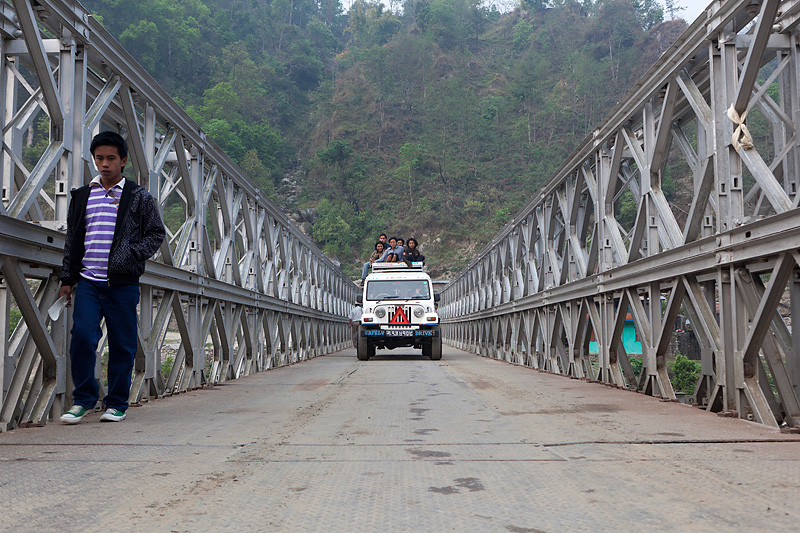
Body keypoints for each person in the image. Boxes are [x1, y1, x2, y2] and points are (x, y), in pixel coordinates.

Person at [58, 131, 166, 424]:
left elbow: (156, 232)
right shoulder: (82, 195)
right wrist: (66, 279)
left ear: (123, 161)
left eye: (110, 158)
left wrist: (132, 254)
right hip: (88, 281)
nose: (104, 164)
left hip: (122, 283)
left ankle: (116, 403)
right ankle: (83, 400)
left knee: (122, 344)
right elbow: (73, 239)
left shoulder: (138, 196)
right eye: (99, 158)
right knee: (82, 337)